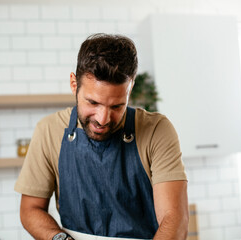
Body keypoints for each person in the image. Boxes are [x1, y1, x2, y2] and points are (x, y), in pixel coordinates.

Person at [15, 33, 188, 240]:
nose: (103, 119)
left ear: (130, 89)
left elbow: (174, 218)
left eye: (116, 106)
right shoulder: (49, 130)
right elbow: (30, 210)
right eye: (93, 103)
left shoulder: (157, 130)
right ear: (73, 84)